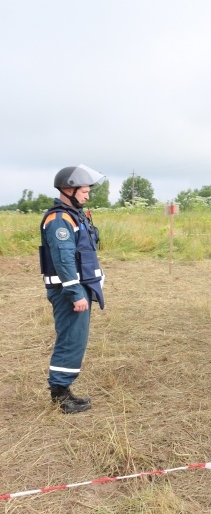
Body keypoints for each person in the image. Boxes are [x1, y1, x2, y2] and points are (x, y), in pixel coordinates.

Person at [39, 165, 107, 413]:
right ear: (69, 189)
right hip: (69, 293)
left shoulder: (73, 215)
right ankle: (60, 396)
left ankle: (65, 390)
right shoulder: (59, 219)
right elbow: (63, 260)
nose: (87, 195)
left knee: (75, 340)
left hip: (79, 288)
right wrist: (76, 293)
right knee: (70, 340)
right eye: (85, 191)